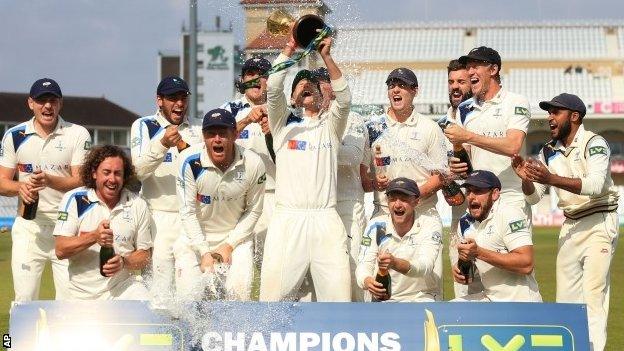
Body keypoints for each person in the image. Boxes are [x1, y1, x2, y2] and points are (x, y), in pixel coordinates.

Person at [512, 93, 618, 351]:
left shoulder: (594, 142)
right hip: (570, 225)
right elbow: (536, 197)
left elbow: (594, 185)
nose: (550, 118)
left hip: (599, 222)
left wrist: (550, 179)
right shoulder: (549, 150)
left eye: (555, 112)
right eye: (549, 112)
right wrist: (526, 178)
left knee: (593, 296)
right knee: (566, 301)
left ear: (574, 116)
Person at [259, 33, 352, 302]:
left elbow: (344, 100)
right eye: (300, 86)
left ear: (324, 97)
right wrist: (289, 48)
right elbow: (274, 88)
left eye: (312, 85)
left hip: (325, 220)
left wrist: (327, 56)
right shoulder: (282, 127)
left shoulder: (331, 127)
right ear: (292, 98)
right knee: (272, 300)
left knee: (338, 301)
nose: (306, 87)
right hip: (288, 220)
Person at [0, 78, 91, 301]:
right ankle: (10, 339)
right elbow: (2, 182)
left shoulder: (78, 134)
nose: (47, 106)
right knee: (24, 301)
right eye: (42, 101)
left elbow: (81, 180)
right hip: (29, 227)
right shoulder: (14, 135)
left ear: (60, 104)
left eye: (53, 100)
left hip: (68, 227)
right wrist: (21, 187)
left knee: (69, 303)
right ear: (30, 103)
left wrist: (49, 181)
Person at [366, 67, 447, 300]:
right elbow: (364, 175)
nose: (396, 89)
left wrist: (409, 197)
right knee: (379, 284)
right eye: (391, 85)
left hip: (423, 214)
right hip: (383, 213)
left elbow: (441, 175)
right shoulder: (374, 128)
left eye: (402, 85)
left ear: (415, 91)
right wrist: (375, 182)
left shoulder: (429, 128)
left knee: (427, 282)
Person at [174, 108, 265, 301]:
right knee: (189, 302)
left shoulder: (253, 163)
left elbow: (254, 210)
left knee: (238, 297)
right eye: (210, 133)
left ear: (234, 134)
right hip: (194, 240)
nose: (217, 139)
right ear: (203, 136)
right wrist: (204, 251)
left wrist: (229, 245)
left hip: (235, 240)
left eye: (223, 133)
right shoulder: (188, 161)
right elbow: (187, 212)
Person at [130, 76, 203, 308]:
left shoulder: (198, 130)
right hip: (157, 217)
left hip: (189, 217)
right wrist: (162, 144)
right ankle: (160, 342)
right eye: (173, 98)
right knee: (160, 289)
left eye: (183, 98)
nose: (179, 104)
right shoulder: (144, 126)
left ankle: (191, 340)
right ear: (159, 100)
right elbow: (137, 172)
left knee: (190, 289)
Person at [53, 145, 152, 300]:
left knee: (147, 302)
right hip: (81, 294)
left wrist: (123, 262)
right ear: (94, 173)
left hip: (123, 289)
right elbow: (60, 249)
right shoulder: (74, 199)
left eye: (118, 173)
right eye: (106, 172)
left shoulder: (137, 204)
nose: (112, 179)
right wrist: (94, 237)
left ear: (124, 176)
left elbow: (145, 255)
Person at [444, 46, 531, 217]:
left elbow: (513, 146)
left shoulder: (516, 102)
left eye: (476, 66)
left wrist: (468, 136)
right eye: (468, 67)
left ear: (493, 69)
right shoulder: (464, 108)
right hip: (478, 200)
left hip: (510, 198)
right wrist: (456, 165)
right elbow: (466, 156)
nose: (470, 72)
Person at [314, 66, 371, 302]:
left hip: (348, 204)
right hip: (317, 206)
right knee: (317, 272)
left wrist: (313, 149)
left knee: (353, 266)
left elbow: (350, 158)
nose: (320, 88)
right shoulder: (307, 119)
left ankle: (359, 325)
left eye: (324, 82)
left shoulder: (355, 119)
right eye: (317, 83)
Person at [453, 170, 541, 302]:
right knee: (448, 311)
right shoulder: (464, 222)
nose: (471, 196)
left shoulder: (509, 213)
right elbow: (474, 268)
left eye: (477, 191)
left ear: (494, 194)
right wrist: (462, 267)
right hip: (490, 298)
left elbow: (526, 263)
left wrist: (478, 253)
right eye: (468, 191)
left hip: (521, 302)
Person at [221, 57, 275, 266]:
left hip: (271, 195)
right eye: (249, 75)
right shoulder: (228, 109)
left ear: (269, 80)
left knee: (270, 262)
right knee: (236, 263)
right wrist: (245, 120)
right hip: (235, 196)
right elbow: (216, 142)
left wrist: (274, 132)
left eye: (260, 75)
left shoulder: (282, 108)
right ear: (242, 80)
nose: (254, 79)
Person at [356, 177, 442, 302]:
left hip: (422, 296)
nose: (397, 204)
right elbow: (364, 264)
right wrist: (367, 281)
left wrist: (395, 263)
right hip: (385, 298)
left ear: (416, 201)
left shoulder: (430, 224)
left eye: (404, 199)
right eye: (392, 199)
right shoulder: (375, 225)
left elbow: (425, 266)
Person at [439, 59, 483, 298]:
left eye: (461, 81)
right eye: (451, 82)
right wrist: (447, 179)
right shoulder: (441, 125)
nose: (455, 87)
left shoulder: (482, 118)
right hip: (459, 218)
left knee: (497, 289)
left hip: (488, 216)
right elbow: (444, 180)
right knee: (463, 291)